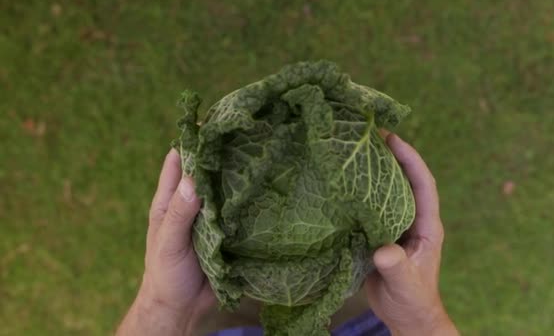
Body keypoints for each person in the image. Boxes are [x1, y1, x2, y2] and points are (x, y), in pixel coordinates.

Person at [117, 132, 459, 335]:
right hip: (370, 314)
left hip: (230, 305)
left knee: (231, 312)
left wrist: (160, 307)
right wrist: (422, 323)